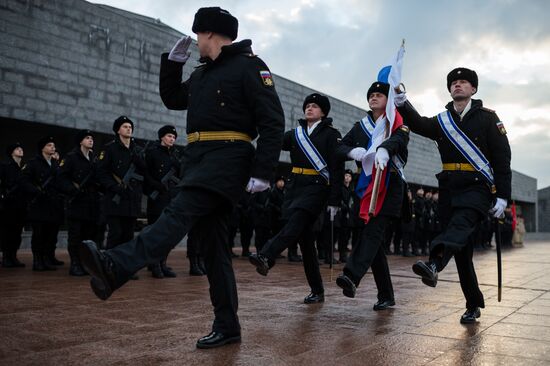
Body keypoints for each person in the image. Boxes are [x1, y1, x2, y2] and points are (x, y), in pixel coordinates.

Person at [79, 6, 284, 349]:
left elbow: (272, 121)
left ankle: (117, 264)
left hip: (229, 159)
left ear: (211, 35)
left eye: (199, 35)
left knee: (178, 214)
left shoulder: (250, 67)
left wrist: (263, 171)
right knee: (214, 248)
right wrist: (172, 65)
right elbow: (173, 98)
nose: (197, 42)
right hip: (200, 160)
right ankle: (228, 324)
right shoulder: (203, 74)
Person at [395, 67, 512, 323]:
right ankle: (473, 304)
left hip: (478, 187)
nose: (458, 85)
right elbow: (418, 124)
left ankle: (434, 264)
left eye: (463, 82)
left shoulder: (488, 118)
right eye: (454, 83)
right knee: (462, 251)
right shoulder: (442, 120)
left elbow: (502, 159)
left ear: (473, 89)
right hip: (449, 188)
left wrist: (503, 196)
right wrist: (402, 102)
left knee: (460, 226)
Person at [249, 93, 344, 304]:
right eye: (307, 106)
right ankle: (317, 290)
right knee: (306, 242)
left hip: (317, 189)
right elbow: (274, 141)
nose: (309, 109)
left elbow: (337, 168)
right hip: (295, 190)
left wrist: (335, 200)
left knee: (296, 223)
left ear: (323, 112)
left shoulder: (331, 135)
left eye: (315, 106)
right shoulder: (295, 134)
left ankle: (266, 256)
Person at [334, 81, 409, 311]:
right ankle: (386, 295)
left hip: (390, 184)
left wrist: (385, 148)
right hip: (366, 186)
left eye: (379, 95)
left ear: (388, 100)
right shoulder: (360, 126)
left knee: (374, 231)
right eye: (371, 95)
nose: (374, 98)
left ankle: (352, 275)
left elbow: (400, 140)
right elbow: (339, 147)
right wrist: (351, 151)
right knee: (371, 241)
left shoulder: (396, 122)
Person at [96, 116, 146, 281]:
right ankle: (110, 265)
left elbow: (145, 172)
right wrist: (113, 186)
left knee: (128, 235)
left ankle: (126, 267)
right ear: (118, 130)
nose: (129, 129)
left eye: (130, 126)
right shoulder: (110, 149)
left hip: (131, 199)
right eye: (125, 126)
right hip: (115, 198)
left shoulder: (137, 149)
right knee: (115, 234)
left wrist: (139, 160)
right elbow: (101, 173)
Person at [57, 130, 101, 276]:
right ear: (80, 141)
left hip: (91, 203)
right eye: (87, 138)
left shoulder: (94, 159)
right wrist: (71, 189)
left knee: (88, 236)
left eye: (92, 138)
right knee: (75, 236)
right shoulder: (71, 158)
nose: (91, 140)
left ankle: (85, 263)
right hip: (76, 202)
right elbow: (61, 178)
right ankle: (75, 264)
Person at [19, 137, 64, 271]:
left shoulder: (56, 164)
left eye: (53, 145)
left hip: (53, 204)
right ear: (42, 148)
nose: (52, 147)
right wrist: (35, 190)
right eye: (49, 145)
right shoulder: (33, 163)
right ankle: (37, 261)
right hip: (39, 204)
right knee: (39, 234)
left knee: (51, 234)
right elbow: (23, 181)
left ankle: (47, 259)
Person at [143, 125, 181, 278]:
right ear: (162, 137)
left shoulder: (175, 155)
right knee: (155, 232)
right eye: (169, 136)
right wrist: (155, 185)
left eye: (173, 137)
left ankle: (162, 263)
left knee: (166, 233)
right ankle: (154, 264)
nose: (172, 139)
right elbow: (145, 174)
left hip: (169, 197)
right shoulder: (152, 153)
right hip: (156, 198)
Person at [0, 143, 27, 267]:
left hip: (20, 205)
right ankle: (6, 257)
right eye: (17, 149)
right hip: (8, 205)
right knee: (7, 232)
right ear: (11, 152)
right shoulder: (5, 166)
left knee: (17, 233)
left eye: (21, 148)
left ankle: (13, 256)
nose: (20, 150)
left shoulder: (23, 168)